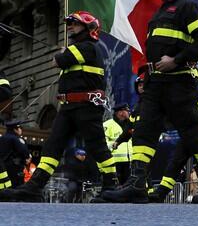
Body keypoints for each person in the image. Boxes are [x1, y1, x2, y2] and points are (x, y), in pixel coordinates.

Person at [101, 0, 198, 204]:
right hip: (156, 85)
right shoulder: (159, 13)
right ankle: (137, 184)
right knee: (144, 132)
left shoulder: (188, 7)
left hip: (179, 82)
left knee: (191, 136)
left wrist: (176, 60)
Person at [1, 12, 117, 203]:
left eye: (74, 23)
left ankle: (110, 185)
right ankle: (35, 186)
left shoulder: (88, 47)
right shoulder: (78, 48)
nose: (70, 26)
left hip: (86, 107)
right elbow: (62, 60)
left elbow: (56, 61)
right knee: (52, 145)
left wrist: (64, 53)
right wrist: (64, 53)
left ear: (88, 28)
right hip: (69, 106)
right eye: (69, 23)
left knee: (97, 147)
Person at [145, 85, 198, 203]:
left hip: (197, 133)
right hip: (187, 134)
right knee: (175, 162)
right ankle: (161, 192)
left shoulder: (197, 90)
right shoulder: (179, 93)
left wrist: (195, 125)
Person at [104, 103, 133, 184]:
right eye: (127, 111)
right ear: (120, 113)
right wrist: (112, 146)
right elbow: (103, 142)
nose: (129, 113)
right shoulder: (108, 125)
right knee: (115, 185)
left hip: (130, 161)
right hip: (114, 161)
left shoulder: (131, 124)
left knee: (128, 184)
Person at [0, 120, 28, 189]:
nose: (21, 130)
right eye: (20, 128)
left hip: (2, 167)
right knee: (16, 187)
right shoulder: (16, 138)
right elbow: (24, 151)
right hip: (14, 167)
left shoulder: (2, 138)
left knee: (5, 186)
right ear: (15, 129)